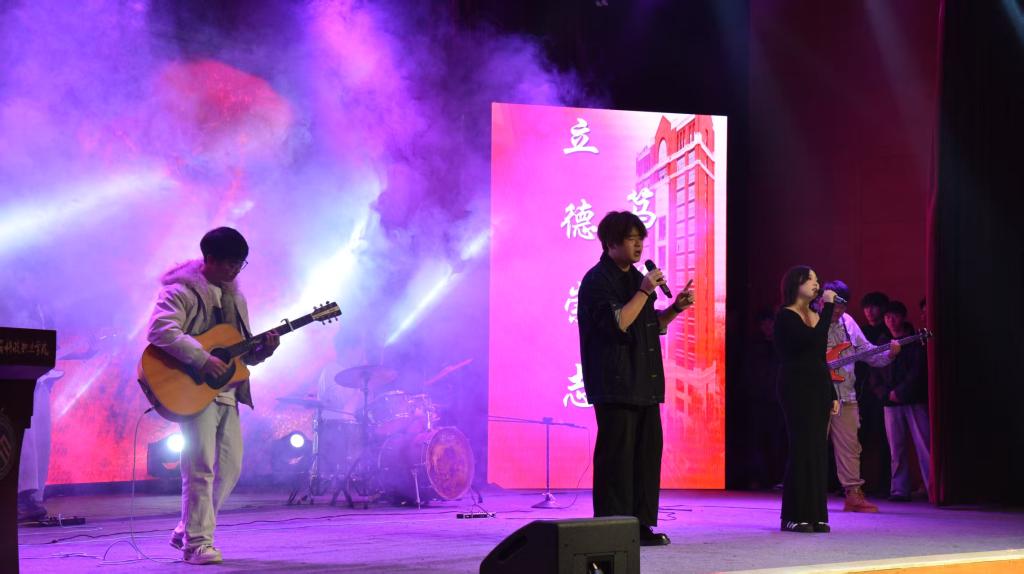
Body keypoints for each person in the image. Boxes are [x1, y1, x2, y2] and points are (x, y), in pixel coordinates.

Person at [145, 227, 280, 565]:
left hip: (227, 393)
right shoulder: (181, 291)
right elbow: (160, 329)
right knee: (200, 467)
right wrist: (202, 358)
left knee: (230, 468)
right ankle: (197, 544)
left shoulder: (236, 299)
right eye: (229, 263)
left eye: (239, 264)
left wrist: (263, 351)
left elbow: (238, 352)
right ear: (209, 259)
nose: (234, 270)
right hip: (192, 391)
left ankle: (187, 528)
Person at [577, 211, 694, 547]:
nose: (639, 245)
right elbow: (618, 323)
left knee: (645, 456)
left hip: (644, 382)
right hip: (615, 384)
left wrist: (675, 309)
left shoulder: (637, 279)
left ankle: (640, 525)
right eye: (631, 239)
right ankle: (611, 527)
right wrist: (643, 292)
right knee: (617, 457)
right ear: (611, 243)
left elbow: (649, 326)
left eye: (640, 238)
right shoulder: (597, 280)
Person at [822, 280, 899, 513]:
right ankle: (807, 493)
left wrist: (890, 354)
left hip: (845, 394)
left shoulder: (848, 322)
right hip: (816, 395)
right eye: (834, 305)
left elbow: (868, 353)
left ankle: (853, 494)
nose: (838, 311)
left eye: (842, 306)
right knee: (811, 446)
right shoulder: (810, 320)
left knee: (850, 447)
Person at [774, 266, 839, 533]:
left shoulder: (816, 314)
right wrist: (828, 308)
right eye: (810, 279)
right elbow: (810, 341)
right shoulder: (785, 316)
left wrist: (832, 392)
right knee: (801, 448)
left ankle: (817, 514)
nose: (816, 283)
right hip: (795, 386)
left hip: (818, 384)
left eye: (816, 279)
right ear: (796, 283)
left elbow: (820, 357)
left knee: (818, 450)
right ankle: (792, 515)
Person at [877, 301, 931, 501]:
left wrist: (900, 392)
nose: (890, 320)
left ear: (903, 317)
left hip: (914, 400)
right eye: (887, 317)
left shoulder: (916, 340)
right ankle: (899, 489)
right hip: (890, 403)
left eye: (894, 316)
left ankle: (932, 489)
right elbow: (875, 371)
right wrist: (886, 394)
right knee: (896, 449)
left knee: (924, 445)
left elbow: (918, 370)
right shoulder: (882, 342)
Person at [741, 307, 785, 490]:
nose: (767, 327)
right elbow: (747, 373)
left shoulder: (783, 346)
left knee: (777, 440)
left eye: (770, 323)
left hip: (778, 400)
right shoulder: (754, 346)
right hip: (758, 399)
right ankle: (759, 478)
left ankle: (777, 478)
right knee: (758, 440)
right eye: (763, 323)